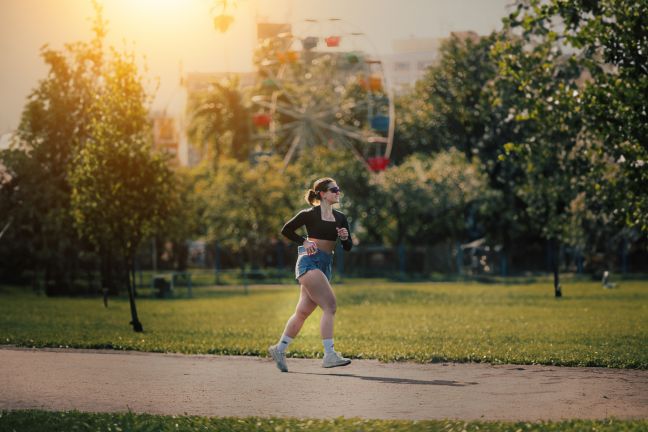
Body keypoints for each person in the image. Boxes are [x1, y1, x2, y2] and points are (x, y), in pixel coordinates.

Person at [268, 177, 353, 372]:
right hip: (308, 261)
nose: (338, 192)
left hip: (325, 265)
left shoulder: (340, 218)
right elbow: (286, 230)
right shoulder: (309, 214)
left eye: (338, 189)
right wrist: (303, 242)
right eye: (334, 189)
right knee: (330, 306)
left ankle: (279, 349)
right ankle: (329, 354)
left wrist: (345, 238)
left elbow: (348, 247)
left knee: (302, 312)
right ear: (322, 194)